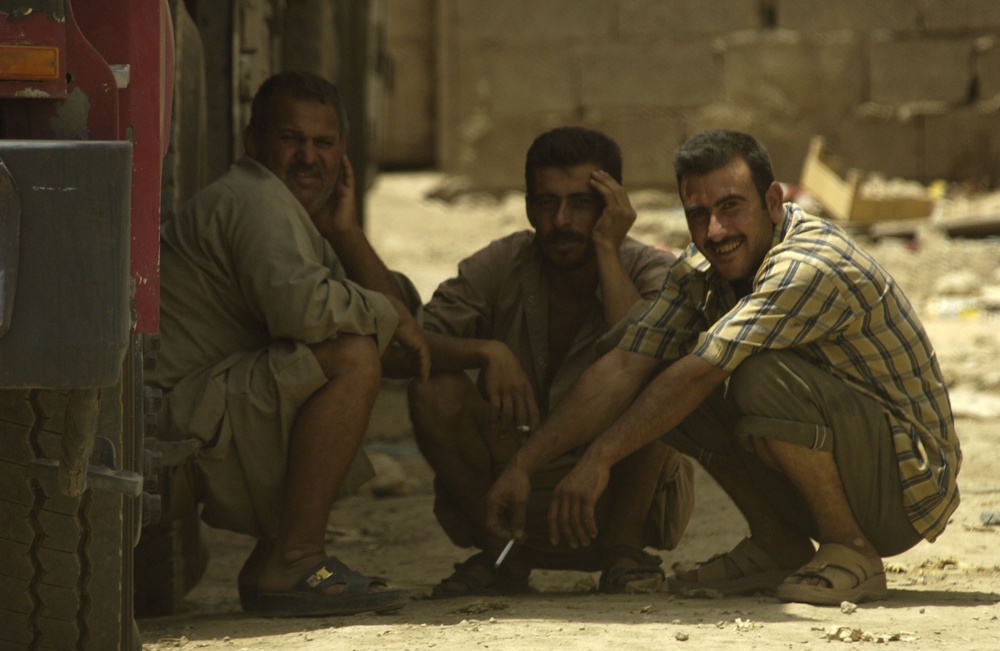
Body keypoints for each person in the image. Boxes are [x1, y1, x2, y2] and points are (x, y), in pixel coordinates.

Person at [485, 129, 961, 606]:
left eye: (731, 206)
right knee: (667, 375)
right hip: (859, 462)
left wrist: (597, 460)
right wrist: (523, 466)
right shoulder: (701, 269)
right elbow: (628, 362)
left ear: (774, 202)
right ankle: (776, 543)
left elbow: (705, 369)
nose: (715, 231)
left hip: (909, 485)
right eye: (698, 214)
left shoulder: (808, 265)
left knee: (750, 374)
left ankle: (851, 551)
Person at [150, 71, 429, 617]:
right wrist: (390, 316)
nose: (308, 157)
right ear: (253, 143)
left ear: (343, 154)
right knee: (350, 360)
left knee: (358, 347)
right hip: (170, 421)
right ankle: (297, 559)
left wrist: (346, 234)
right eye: (291, 139)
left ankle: (274, 560)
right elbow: (306, 312)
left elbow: (404, 342)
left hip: (196, 408)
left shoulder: (293, 214)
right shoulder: (256, 198)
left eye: (323, 143)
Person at [409, 127, 694, 597]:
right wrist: (486, 351)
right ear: (527, 206)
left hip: (610, 487)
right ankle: (502, 558)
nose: (561, 220)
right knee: (433, 389)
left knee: (664, 371)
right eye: (546, 202)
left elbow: (641, 353)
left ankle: (622, 553)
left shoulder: (650, 268)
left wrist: (606, 249)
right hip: (506, 501)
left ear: (612, 206)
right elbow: (408, 345)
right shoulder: (502, 263)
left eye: (581, 203)